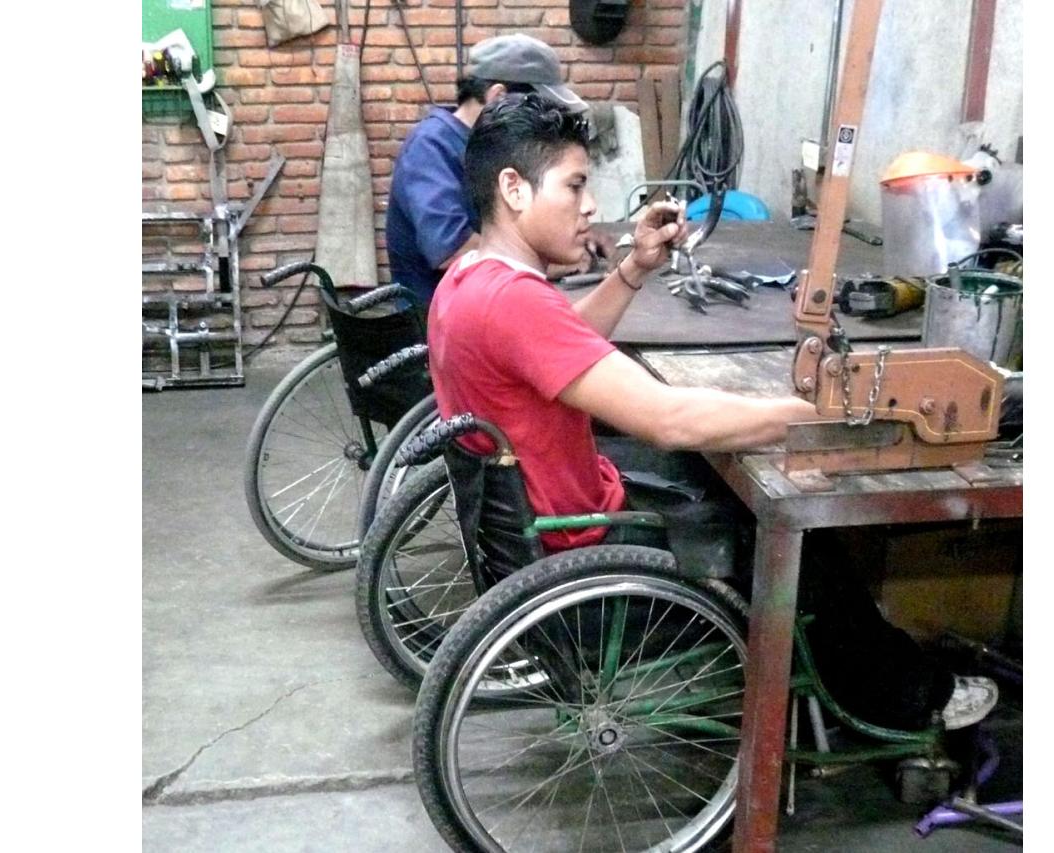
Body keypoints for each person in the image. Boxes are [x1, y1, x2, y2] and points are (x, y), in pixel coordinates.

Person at [427, 93, 998, 732]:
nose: (590, 205)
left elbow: (554, 346)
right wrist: (816, 410)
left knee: (707, 467)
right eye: (575, 184)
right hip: (582, 553)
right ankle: (902, 696)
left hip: (538, 529)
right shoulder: (515, 302)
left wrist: (634, 269)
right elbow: (669, 418)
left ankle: (848, 669)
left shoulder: (470, 279)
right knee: (793, 535)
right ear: (513, 188)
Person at [385, 34, 597, 305]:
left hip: (486, 299)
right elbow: (451, 252)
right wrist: (554, 263)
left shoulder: (489, 144)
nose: (543, 120)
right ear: (497, 96)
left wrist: (574, 233)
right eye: (535, 107)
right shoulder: (430, 147)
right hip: (438, 323)